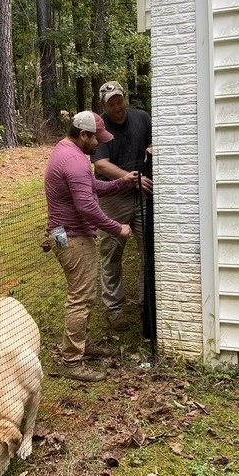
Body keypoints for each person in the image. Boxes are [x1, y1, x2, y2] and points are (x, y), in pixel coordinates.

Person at [45, 111, 152, 382]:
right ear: (83, 134)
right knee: (80, 297)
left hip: (61, 234)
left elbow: (91, 187)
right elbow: (88, 207)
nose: (99, 145)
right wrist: (118, 228)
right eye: (97, 139)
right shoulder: (75, 161)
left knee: (80, 292)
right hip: (72, 238)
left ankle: (80, 344)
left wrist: (121, 181)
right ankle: (71, 361)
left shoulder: (65, 151)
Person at [92, 80, 153, 332]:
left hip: (141, 194)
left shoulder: (142, 118)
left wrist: (151, 147)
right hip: (113, 196)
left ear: (124, 98)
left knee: (148, 248)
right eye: (111, 104)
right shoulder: (101, 127)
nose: (117, 107)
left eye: (119, 101)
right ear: (103, 105)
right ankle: (114, 308)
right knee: (111, 252)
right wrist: (127, 177)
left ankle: (146, 300)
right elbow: (100, 164)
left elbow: (152, 142)